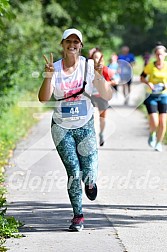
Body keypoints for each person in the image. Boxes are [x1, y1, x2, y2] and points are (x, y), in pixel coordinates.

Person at [38, 28, 112, 231]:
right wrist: (47, 77)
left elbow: (107, 96)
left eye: (76, 42)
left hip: (85, 125)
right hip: (61, 127)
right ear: (62, 44)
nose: (72, 44)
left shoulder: (89, 67)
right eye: (68, 41)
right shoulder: (54, 68)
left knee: (88, 171)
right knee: (73, 171)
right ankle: (78, 216)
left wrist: (99, 76)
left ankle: (90, 182)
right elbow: (44, 98)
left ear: (81, 45)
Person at [140, 44, 167, 152]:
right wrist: (148, 83)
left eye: (161, 54)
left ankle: (159, 143)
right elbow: (142, 77)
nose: (159, 56)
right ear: (155, 55)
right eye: (157, 54)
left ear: (165, 54)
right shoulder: (150, 66)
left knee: (163, 122)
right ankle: (152, 133)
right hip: (152, 96)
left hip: (164, 96)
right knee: (155, 122)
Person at [90, 48, 116, 146]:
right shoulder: (89, 70)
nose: (98, 60)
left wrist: (105, 83)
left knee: (102, 118)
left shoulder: (106, 69)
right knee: (93, 116)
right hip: (91, 96)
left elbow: (115, 81)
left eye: (99, 58)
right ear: (92, 59)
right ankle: (92, 135)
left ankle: (101, 134)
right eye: (95, 57)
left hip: (103, 96)